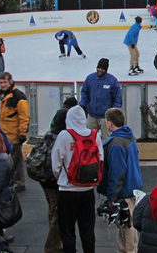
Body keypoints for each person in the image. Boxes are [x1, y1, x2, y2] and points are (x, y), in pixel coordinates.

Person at [51, 105, 104, 253]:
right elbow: (100, 159)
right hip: (88, 190)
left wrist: (61, 177)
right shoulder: (95, 135)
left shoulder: (64, 135)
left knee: (67, 230)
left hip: (67, 190)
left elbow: (55, 164)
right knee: (87, 230)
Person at [97, 108, 142, 253]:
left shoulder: (116, 144)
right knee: (130, 226)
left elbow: (117, 173)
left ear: (109, 123)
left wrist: (111, 197)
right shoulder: (129, 137)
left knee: (126, 228)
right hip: (133, 188)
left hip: (123, 192)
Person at [41, 97, 78, 253]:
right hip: (56, 181)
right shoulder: (63, 137)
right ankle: (52, 246)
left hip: (45, 180)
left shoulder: (49, 135)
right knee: (59, 215)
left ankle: (59, 242)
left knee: (52, 210)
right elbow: (60, 164)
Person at [0, 72, 29, 193]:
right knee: (10, 160)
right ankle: (13, 181)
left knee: (16, 161)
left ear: (10, 82)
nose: (3, 85)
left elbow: (24, 116)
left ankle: (19, 183)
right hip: (6, 134)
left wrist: (22, 134)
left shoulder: (18, 96)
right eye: (1, 83)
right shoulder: (6, 95)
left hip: (14, 135)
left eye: (5, 82)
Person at [80, 58, 121, 140]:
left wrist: (114, 112)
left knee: (107, 139)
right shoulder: (90, 78)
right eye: (98, 68)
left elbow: (117, 97)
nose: (100, 70)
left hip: (105, 118)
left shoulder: (112, 81)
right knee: (89, 139)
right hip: (92, 116)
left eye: (102, 69)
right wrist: (83, 105)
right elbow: (84, 92)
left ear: (106, 70)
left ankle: (106, 152)